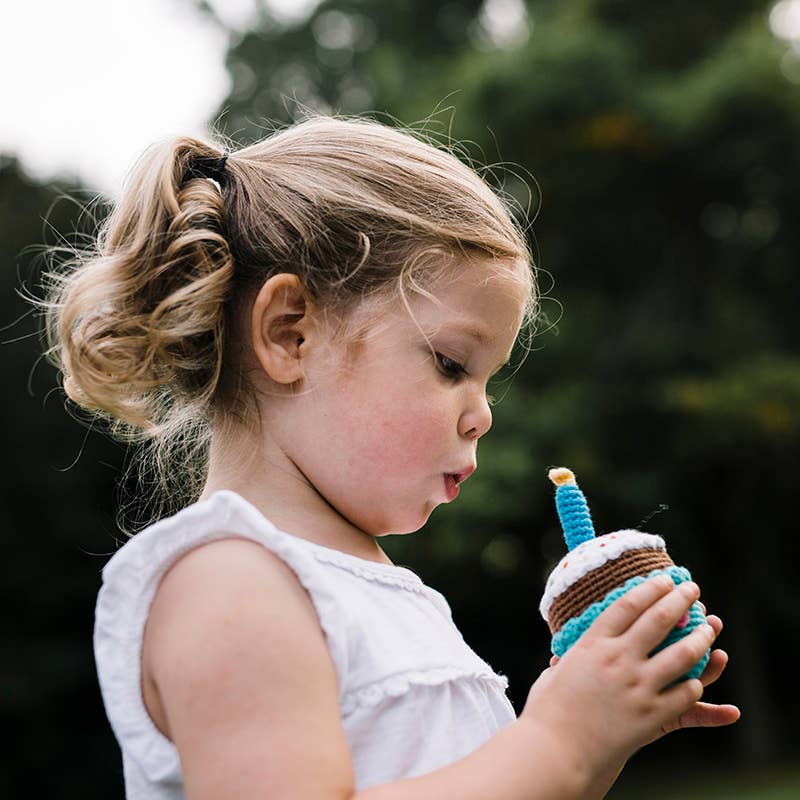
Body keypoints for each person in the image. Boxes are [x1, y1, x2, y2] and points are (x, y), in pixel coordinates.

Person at [42, 114, 739, 800]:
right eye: (449, 363)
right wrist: (560, 739)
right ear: (291, 335)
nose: (484, 413)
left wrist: (596, 737)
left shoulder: (377, 593)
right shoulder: (229, 582)